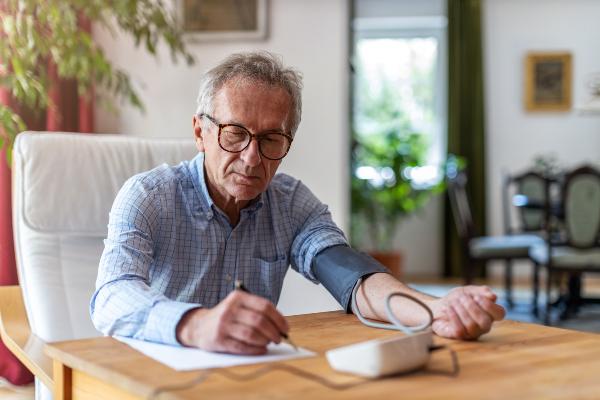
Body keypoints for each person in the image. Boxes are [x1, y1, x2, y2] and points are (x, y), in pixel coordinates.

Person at [91, 51, 505, 355]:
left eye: (271, 139)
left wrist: (436, 310)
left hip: (251, 379)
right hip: (157, 378)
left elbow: (351, 277)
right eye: (235, 133)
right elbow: (112, 296)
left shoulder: (290, 204)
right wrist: (196, 324)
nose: (252, 158)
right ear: (200, 132)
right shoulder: (147, 196)